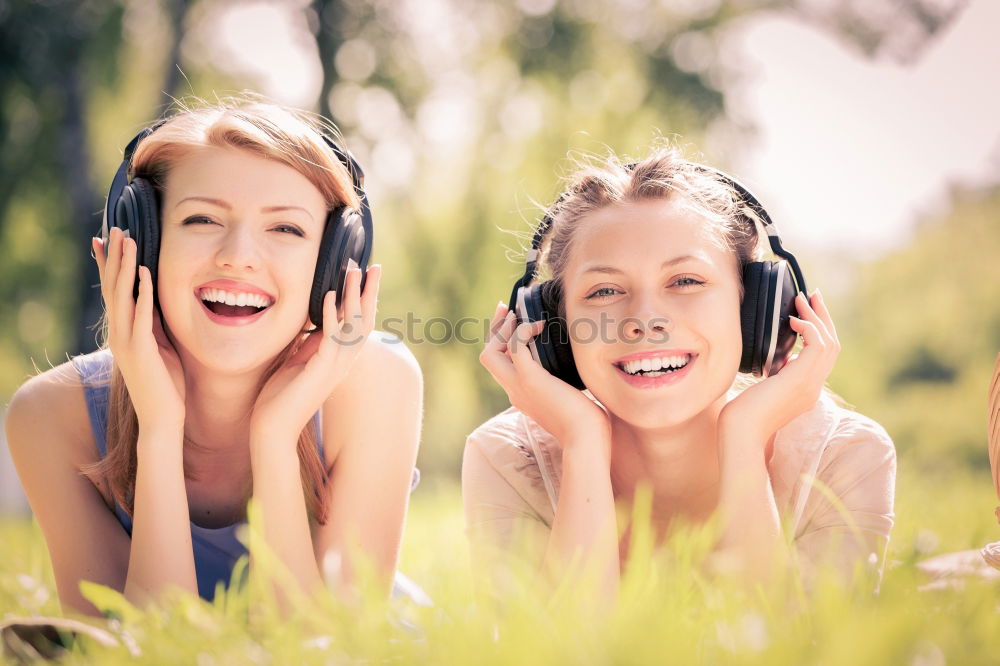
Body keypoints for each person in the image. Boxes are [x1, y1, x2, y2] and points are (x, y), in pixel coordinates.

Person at [5, 99, 423, 617]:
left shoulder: (376, 383)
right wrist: (158, 427)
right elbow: (141, 651)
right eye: (201, 219)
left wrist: (275, 437)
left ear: (335, 264)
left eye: (286, 229)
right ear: (138, 242)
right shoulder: (49, 416)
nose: (238, 255)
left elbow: (319, 649)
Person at [463, 146, 896, 594]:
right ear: (555, 327)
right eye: (605, 290)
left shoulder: (844, 456)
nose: (645, 319)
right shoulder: (509, 459)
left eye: (685, 281)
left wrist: (743, 436)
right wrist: (582, 441)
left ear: (755, 309)